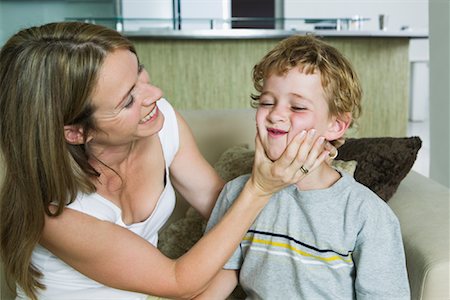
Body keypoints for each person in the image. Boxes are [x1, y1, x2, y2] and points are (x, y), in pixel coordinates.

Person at [0, 22, 335, 300]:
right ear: (75, 132)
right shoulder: (55, 212)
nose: (155, 94)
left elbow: (222, 208)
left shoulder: (160, 123)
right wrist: (260, 188)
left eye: (141, 75)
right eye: (129, 99)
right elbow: (179, 280)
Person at [198, 35, 411, 299]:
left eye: (297, 106)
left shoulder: (366, 214)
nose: (275, 114)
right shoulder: (236, 195)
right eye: (267, 102)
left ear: (336, 125)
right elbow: (209, 289)